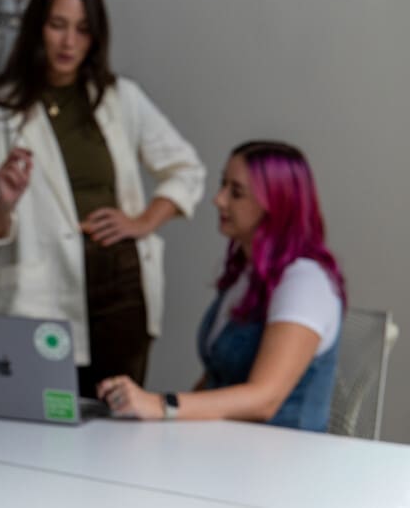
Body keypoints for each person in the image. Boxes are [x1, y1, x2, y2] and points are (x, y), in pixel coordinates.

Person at [0, 0, 205, 397]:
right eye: (58, 26)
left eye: (83, 29)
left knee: (120, 424)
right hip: (41, 290)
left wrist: (142, 222)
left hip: (122, 286)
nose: (70, 42)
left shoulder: (119, 97)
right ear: (37, 27)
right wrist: (4, 204)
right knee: (37, 423)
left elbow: (186, 168)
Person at [97, 141, 347, 432]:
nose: (219, 199)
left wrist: (160, 405)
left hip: (284, 466)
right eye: (223, 185)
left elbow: (264, 400)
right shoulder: (246, 275)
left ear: (275, 203)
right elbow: (217, 380)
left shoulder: (305, 282)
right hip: (229, 453)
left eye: (236, 192)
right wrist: (155, 417)